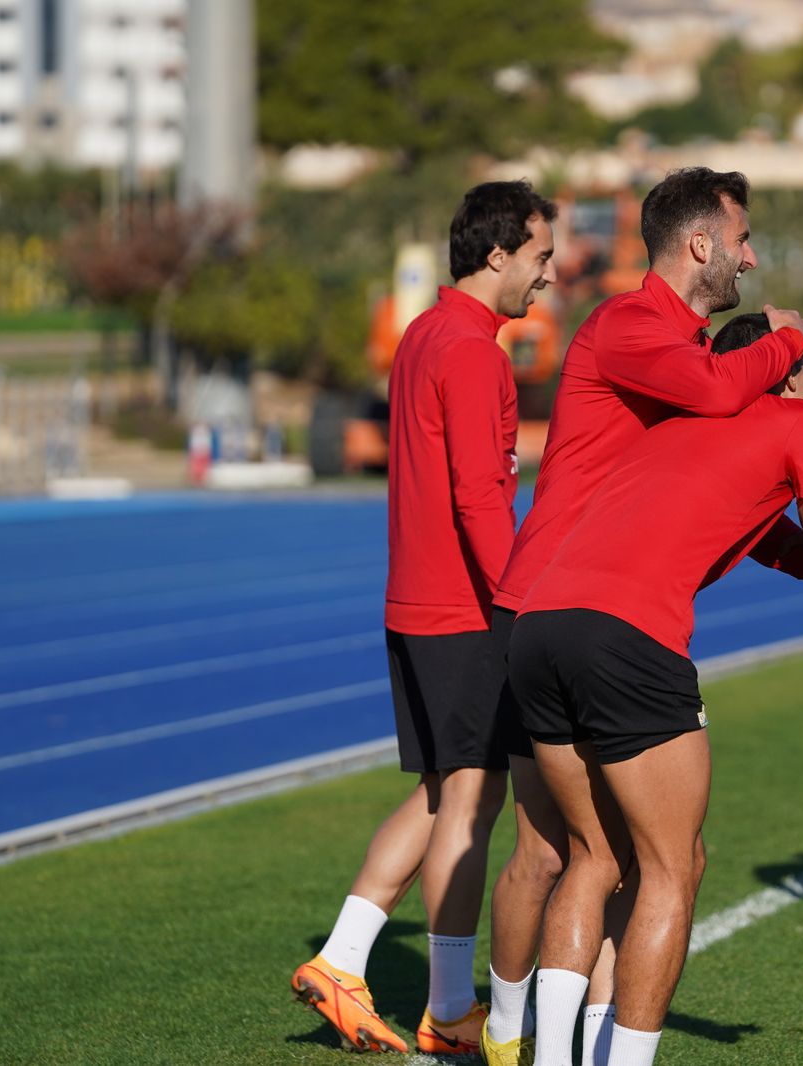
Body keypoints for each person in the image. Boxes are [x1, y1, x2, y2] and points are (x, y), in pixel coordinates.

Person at [482, 168, 803, 1066]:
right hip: (554, 601)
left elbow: (737, 508)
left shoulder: (694, 354)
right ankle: (502, 1034)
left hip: (585, 611)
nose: (751, 258)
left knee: (605, 857)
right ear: (700, 244)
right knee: (557, 853)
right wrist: (790, 342)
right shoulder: (632, 325)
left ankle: (557, 1042)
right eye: (742, 240)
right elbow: (717, 394)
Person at [509, 313, 803, 1066]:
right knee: (673, 866)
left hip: (539, 625)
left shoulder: (675, 427)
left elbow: (764, 533)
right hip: (626, 637)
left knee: (594, 856)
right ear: (785, 371)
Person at [290, 181, 557, 1056]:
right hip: (464, 607)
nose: (548, 276)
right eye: (540, 257)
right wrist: (520, 602)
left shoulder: (423, 334)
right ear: (497, 254)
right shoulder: (475, 352)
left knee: (446, 791)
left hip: (416, 600)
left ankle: (343, 960)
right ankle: (445, 1010)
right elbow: (480, 497)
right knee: (470, 802)